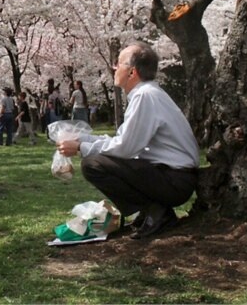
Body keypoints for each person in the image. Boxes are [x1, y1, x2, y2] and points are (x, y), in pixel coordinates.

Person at [56, 42, 199, 240]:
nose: (113, 68)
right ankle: (152, 211)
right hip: (171, 176)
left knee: (92, 164)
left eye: (118, 64)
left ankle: (157, 212)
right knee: (97, 159)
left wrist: (81, 147)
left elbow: (125, 148)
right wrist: (82, 138)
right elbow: (123, 140)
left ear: (132, 72)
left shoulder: (144, 96)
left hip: (174, 180)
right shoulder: (147, 94)